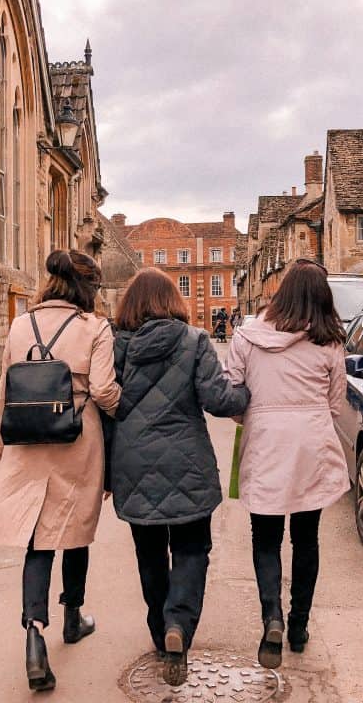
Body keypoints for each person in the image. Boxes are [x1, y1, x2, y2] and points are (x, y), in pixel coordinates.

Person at [0, 249, 122, 692]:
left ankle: (33, 631)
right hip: (75, 436)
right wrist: (125, 411)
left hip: (26, 438)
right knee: (76, 527)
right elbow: (104, 389)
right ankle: (72, 617)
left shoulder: (20, 323)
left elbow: (4, 383)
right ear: (87, 288)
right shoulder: (94, 327)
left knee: (37, 536)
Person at [110, 268, 250, 686]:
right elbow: (218, 399)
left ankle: (161, 633)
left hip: (133, 466)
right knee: (191, 549)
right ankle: (179, 626)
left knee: (149, 554)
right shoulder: (193, 342)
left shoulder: (117, 346)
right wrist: (250, 392)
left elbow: (104, 402)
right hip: (187, 462)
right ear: (174, 301)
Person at [225, 258, 348, 670]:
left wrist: (255, 418)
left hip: (265, 439)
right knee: (306, 538)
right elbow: (335, 403)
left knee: (265, 537)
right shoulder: (329, 343)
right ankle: (298, 626)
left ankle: (270, 618)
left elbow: (234, 395)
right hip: (311, 441)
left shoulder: (247, 337)